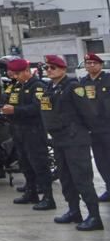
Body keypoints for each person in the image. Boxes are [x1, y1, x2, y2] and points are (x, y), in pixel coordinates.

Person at [39, 54, 102, 231]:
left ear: (63, 69)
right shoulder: (49, 87)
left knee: (82, 179)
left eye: (53, 68)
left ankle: (94, 216)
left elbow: (88, 113)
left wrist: (81, 132)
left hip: (74, 140)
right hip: (59, 139)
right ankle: (74, 210)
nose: (49, 71)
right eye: (47, 68)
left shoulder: (73, 87)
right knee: (66, 178)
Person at [1, 58, 55, 210]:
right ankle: (31, 193)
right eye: (14, 74)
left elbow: (38, 108)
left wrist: (15, 110)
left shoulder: (38, 87)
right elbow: (13, 103)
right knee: (25, 163)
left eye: (18, 73)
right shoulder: (18, 86)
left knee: (39, 164)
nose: (16, 77)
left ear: (27, 71)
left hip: (34, 131)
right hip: (19, 131)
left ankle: (48, 197)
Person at [78, 52, 110, 202]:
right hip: (93, 128)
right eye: (88, 63)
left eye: (94, 63)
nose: (91, 66)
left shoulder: (108, 79)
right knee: (101, 160)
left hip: (107, 126)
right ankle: (109, 187)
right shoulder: (83, 82)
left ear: (100, 65)